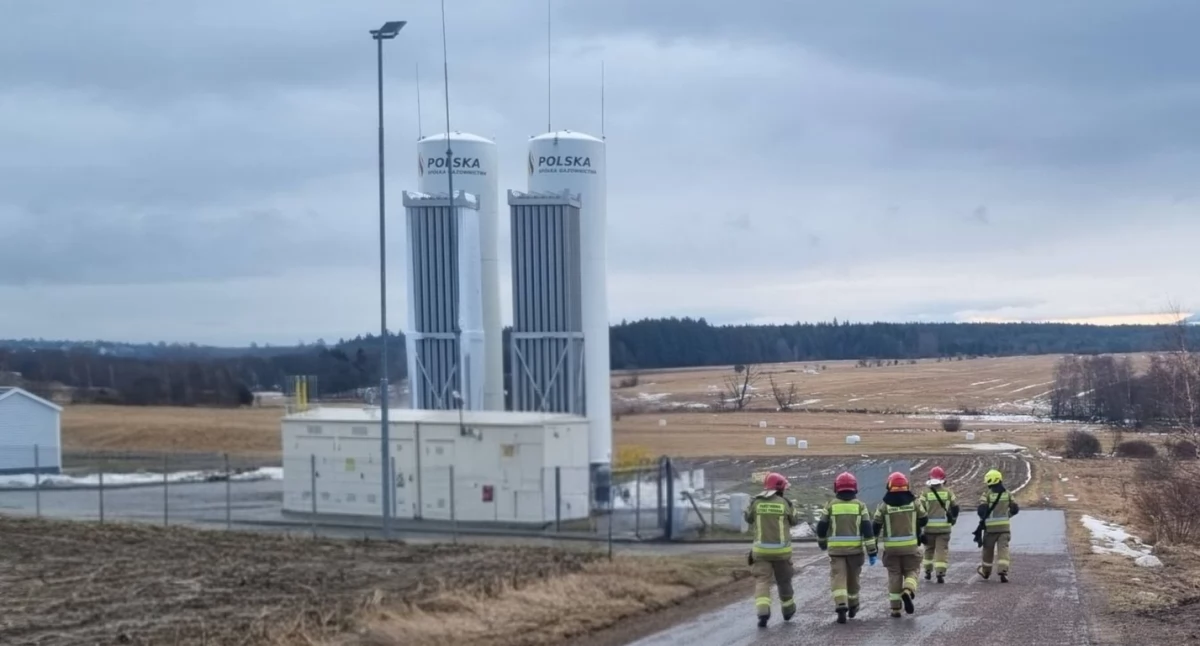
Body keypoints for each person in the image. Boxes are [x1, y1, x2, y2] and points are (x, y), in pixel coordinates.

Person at [815, 471, 878, 624]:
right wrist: (871, 551)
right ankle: (853, 605)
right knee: (853, 579)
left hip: (836, 552)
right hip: (855, 551)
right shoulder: (860, 506)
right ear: (854, 488)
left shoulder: (830, 505)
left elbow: (822, 526)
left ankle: (841, 604)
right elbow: (867, 529)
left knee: (838, 577)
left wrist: (822, 541)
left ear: (837, 488)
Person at [744, 471, 801, 627]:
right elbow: (795, 521)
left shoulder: (756, 502)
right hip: (782, 552)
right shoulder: (785, 503)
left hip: (761, 552)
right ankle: (788, 610)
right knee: (784, 581)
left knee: (762, 581)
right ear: (781, 488)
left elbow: (747, 518)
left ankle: (763, 612)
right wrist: (789, 505)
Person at [873, 471, 928, 618]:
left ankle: (895, 609)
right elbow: (924, 519)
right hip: (911, 547)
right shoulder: (915, 502)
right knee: (913, 570)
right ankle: (908, 590)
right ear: (906, 486)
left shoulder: (883, 506)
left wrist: (873, 543)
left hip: (891, 549)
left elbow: (876, 525)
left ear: (889, 486)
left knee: (894, 575)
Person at [976, 468, 1020, 582]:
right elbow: (1015, 508)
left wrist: (983, 520)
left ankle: (985, 572)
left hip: (990, 529)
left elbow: (981, 510)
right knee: (1003, 549)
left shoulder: (986, 494)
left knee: (988, 551)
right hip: (1004, 528)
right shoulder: (1008, 493)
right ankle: (1003, 571)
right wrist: (1007, 516)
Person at [921, 465, 960, 583]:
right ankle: (940, 573)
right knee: (941, 550)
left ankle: (927, 571)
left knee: (928, 550)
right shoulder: (948, 493)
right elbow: (955, 507)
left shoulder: (925, 494)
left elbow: (919, 510)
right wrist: (953, 519)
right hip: (944, 529)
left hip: (929, 529)